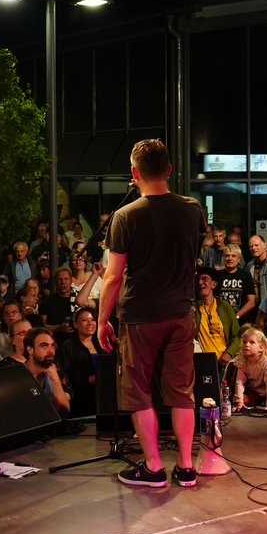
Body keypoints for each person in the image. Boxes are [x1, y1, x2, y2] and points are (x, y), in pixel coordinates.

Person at [97, 139, 205, 490]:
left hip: (141, 314)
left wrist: (101, 321)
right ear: (169, 170)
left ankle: (153, 468)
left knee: (138, 391)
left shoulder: (125, 216)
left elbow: (113, 276)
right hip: (180, 311)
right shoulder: (192, 209)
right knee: (181, 390)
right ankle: (187, 467)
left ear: (134, 173)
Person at [193, 268, 242, 368]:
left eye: (205, 279)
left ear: (214, 284)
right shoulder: (193, 308)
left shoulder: (224, 306)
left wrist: (229, 353)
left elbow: (237, 336)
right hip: (203, 364)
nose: (200, 282)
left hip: (225, 362)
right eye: (198, 279)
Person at [22, 327, 72, 415]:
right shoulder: (17, 375)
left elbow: (63, 412)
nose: (51, 351)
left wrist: (55, 378)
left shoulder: (56, 370)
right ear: (30, 350)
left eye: (52, 345)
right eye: (44, 346)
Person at [229, 327, 267, 414]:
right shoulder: (243, 363)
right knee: (241, 399)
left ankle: (266, 403)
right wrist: (239, 401)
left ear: (261, 347)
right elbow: (239, 382)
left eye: (252, 342)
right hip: (254, 392)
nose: (247, 345)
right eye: (244, 342)